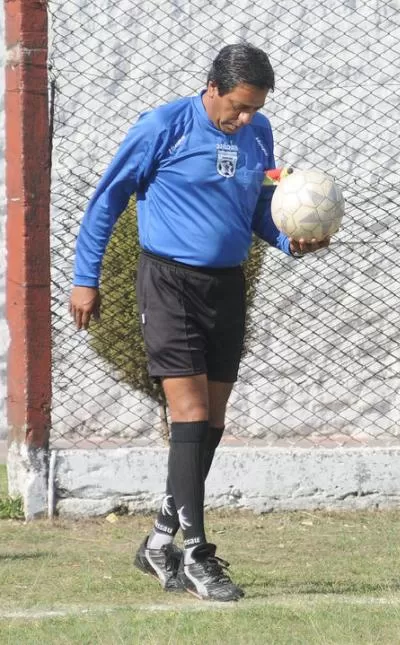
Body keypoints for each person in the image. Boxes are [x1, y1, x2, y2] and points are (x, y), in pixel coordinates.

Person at [69, 43, 329, 601]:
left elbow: (258, 210)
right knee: (188, 414)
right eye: (237, 106)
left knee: (211, 421)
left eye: (254, 108)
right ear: (211, 88)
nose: (245, 118)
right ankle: (197, 555)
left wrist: (291, 241)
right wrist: (85, 278)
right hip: (168, 284)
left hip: (225, 286)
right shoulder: (163, 126)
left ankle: (161, 538)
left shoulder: (258, 135)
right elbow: (106, 201)